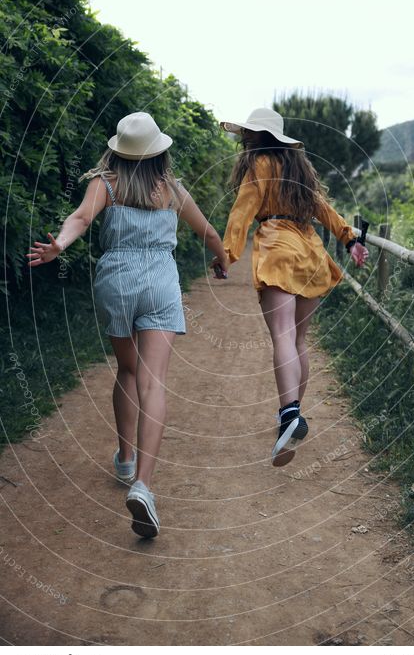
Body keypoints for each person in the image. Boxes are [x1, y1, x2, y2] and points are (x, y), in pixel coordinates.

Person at [27, 112, 228, 538]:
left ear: (118, 149)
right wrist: (221, 260)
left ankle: (123, 456)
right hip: (159, 282)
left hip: (115, 281)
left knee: (129, 370)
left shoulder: (106, 183)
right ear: (160, 151)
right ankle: (144, 485)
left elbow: (80, 219)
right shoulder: (172, 189)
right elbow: (209, 233)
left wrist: (58, 246)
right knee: (154, 382)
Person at [217, 107, 368, 466]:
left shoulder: (258, 166)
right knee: (299, 340)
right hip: (310, 253)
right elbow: (323, 208)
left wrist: (226, 254)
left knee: (282, 336)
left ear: (256, 137)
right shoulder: (298, 169)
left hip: (278, 249)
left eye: (247, 134)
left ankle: (288, 414)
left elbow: (242, 211)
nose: (244, 139)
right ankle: (292, 413)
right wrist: (350, 240)